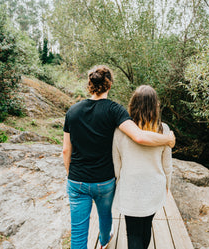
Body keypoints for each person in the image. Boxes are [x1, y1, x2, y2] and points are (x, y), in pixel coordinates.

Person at [62, 65, 175, 249]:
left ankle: (103, 240)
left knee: (79, 232)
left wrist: (71, 174)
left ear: (89, 84)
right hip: (110, 182)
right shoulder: (116, 111)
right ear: (110, 84)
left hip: (80, 180)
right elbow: (141, 138)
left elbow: (67, 150)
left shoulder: (73, 111)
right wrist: (168, 140)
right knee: (114, 218)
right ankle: (105, 239)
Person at [112, 85, 173, 249]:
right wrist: (167, 185)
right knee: (146, 228)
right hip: (154, 186)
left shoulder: (120, 130)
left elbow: (116, 163)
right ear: (155, 106)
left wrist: (119, 182)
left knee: (133, 233)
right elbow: (167, 165)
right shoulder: (164, 129)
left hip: (130, 188)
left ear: (133, 104)